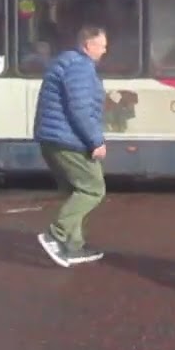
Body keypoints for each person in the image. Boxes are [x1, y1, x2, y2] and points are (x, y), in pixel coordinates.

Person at [34, 25, 110, 267]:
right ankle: (55, 235)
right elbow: (80, 108)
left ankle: (74, 246)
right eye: (102, 45)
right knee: (93, 189)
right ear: (88, 45)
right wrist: (95, 141)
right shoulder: (80, 67)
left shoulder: (66, 62)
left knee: (74, 191)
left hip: (53, 139)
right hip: (69, 141)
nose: (105, 50)